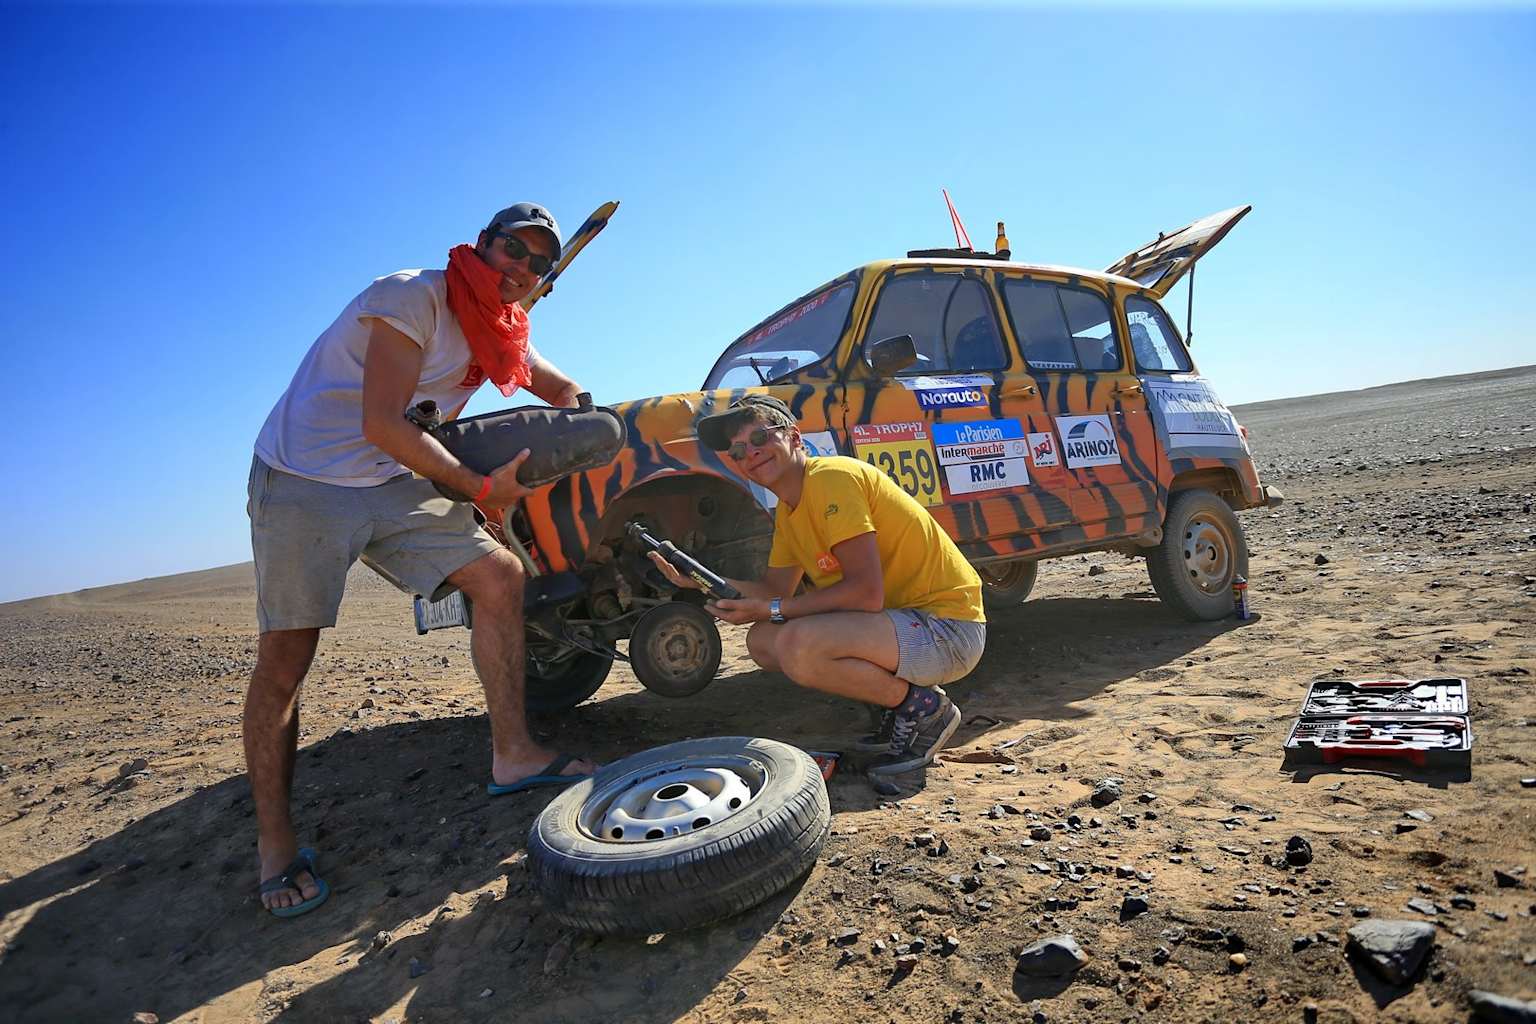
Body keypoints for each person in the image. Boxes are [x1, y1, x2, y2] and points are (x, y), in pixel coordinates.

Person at [245, 203, 596, 917]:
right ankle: (275, 844)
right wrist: (478, 487)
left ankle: (514, 754)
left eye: (539, 264)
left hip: (393, 479)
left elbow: (561, 393)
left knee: (500, 575)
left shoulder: (501, 330)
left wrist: (575, 432)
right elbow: (382, 421)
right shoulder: (414, 297)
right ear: (482, 244)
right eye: (513, 251)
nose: (522, 269)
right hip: (305, 481)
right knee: (288, 655)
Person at [648, 396, 987, 778]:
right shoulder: (789, 513)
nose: (751, 453)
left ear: (795, 438)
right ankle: (900, 706)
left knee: (798, 643)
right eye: (739, 450)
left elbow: (863, 594)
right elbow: (773, 589)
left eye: (760, 436)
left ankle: (925, 711)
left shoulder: (830, 479)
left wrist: (773, 609)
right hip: (902, 627)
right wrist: (698, 580)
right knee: (763, 641)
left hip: (947, 630)